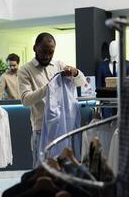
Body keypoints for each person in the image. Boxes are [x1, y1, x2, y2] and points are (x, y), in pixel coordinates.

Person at [18, 32, 86, 168]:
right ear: (35, 48)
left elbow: (81, 82)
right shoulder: (25, 71)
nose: (47, 56)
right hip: (41, 129)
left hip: (63, 127)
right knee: (42, 170)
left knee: (64, 169)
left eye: (51, 52)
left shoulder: (59, 65)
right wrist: (49, 88)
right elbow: (26, 100)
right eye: (44, 52)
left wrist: (75, 72)